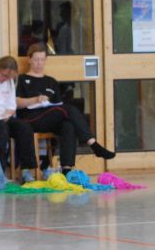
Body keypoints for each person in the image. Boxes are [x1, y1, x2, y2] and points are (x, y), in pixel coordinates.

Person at [15, 44, 115, 175]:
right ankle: (93, 144)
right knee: (68, 109)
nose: (39, 63)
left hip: (49, 117)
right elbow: (16, 103)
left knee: (68, 125)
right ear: (29, 59)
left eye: (42, 59)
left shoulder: (51, 81)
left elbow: (58, 104)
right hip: (30, 118)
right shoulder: (22, 79)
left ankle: (66, 169)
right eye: (36, 59)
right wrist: (35, 99)